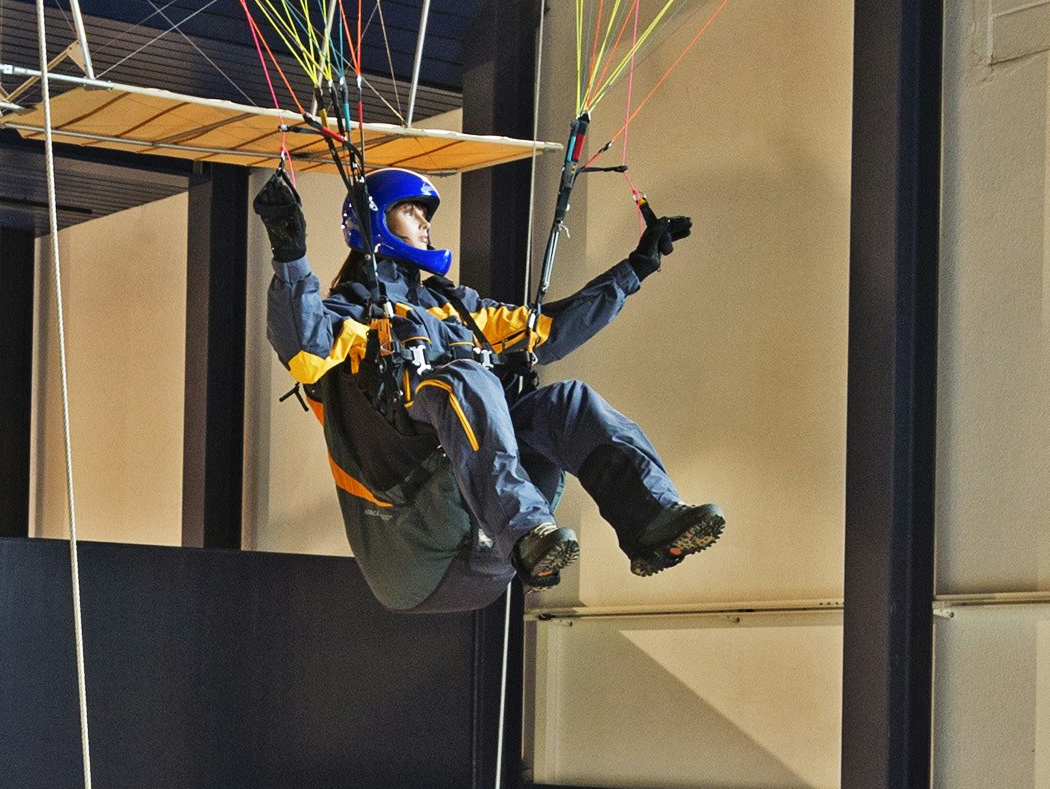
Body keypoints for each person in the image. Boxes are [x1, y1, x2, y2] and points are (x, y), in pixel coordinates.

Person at [257, 159, 722, 613]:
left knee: (568, 401)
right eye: (409, 211)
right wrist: (290, 255)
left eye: (424, 213)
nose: (423, 223)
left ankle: (653, 524)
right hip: (407, 533)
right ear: (375, 220)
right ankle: (526, 533)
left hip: (475, 517)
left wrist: (635, 269)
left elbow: (549, 330)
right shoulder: (350, 313)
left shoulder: (456, 307)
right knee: (466, 377)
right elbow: (303, 351)